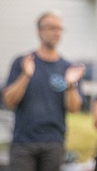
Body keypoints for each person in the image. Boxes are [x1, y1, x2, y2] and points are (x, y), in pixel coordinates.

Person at [2, 10, 86, 171]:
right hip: (23, 142)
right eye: (51, 28)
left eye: (59, 29)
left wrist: (70, 85)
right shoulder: (22, 62)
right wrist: (26, 75)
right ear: (39, 31)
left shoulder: (68, 68)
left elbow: (74, 109)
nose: (56, 33)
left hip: (53, 142)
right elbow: (9, 101)